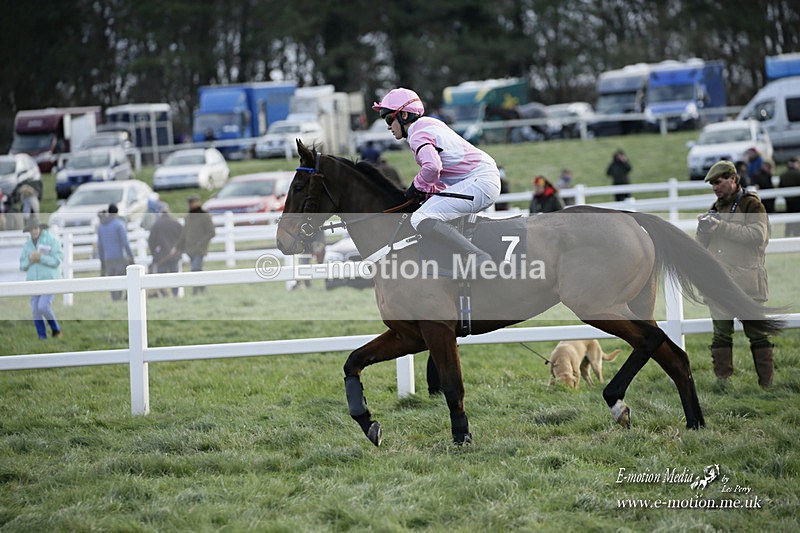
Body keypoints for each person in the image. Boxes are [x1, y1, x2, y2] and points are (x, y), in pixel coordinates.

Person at [372, 87, 501, 266]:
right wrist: (425, 192)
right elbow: (439, 176)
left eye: (388, 118)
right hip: (480, 179)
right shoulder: (427, 125)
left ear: (403, 116)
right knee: (429, 210)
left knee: (420, 218)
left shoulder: (417, 133)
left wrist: (416, 187)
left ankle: (477, 257)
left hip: (480, 182)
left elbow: (432, 167)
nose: (388, 126)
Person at [695, 160, 774, 387]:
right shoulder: (715, 209)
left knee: (758, 335)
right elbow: (702, 247)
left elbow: (759, 236)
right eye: (712, 184)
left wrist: (721, 227)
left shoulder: (751, 204)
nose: (715, 188)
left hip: (748, 283)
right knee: (721, 336)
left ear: (733, 178)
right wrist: (704, 230)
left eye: (718, 182)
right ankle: (723, 384)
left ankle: (766, 386)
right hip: (720, 285)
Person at [19, 218, 63, 339]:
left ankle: (56, 329)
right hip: (33, 281)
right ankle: (42, 336)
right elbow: (22, 265)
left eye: (36, 228)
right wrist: (30, 259)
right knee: (35, 310)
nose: (34, 231)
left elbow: (57, 261)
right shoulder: (27, 245)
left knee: (43, 306)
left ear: (40, 228)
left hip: (50, 280)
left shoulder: (52, 240)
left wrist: (41, 258)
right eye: (31, 229)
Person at [175, 195, 215, 295]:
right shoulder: (188, 217)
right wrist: (177, 246)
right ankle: (203, 290)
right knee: (198, 270)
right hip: (190, 249)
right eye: (191, 203)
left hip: (200, 249)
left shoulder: (205, 216)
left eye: (194, 202)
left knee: (195, 269)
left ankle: (195, 291)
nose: (192, 205)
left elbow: (211, 232)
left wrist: (201, 242)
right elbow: (184, 233)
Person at [97, 203, 135, 301]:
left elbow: (100, 246)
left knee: (112, 280)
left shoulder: (101, 226)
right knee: (124, 279)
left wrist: (102, 262)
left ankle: (115, 300)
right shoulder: (119, 224)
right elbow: (125, 243)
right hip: (119, 257)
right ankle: (124, 299)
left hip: (107, 258)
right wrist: (131, 257)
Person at [147, 202, 183, 296]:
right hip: (174, 255)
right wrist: (179, 251)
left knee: (161, 278)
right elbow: (182, 239)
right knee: (175, 277)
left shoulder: (156, 224)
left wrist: (154, 253)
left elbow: (151, 241)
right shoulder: (176, 223)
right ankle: (175, 295)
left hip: (161, 256)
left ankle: (164, 295)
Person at [779, 156, 800, 237]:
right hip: (798, 202)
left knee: (789, 221)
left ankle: (787, 234)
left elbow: (781, 188)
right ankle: (796, 235)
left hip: (788, 201)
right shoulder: (798, 174)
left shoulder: (783, 175)